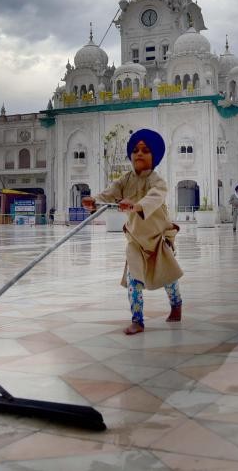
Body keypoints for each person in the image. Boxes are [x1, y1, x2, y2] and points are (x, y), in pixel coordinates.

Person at [82, 128, 183, 335]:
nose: (139, 153)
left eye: (145, 150)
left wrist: (136, 206)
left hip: (158, 239)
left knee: (168, 278)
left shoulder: (157, 180)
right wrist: (94, 201)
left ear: (153, 156)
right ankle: (137, 320)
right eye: (136, 150)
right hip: (136, 240)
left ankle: (176, 305)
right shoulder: (125, 180)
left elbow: (156, 196)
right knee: (134, 279)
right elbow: (110, 193)